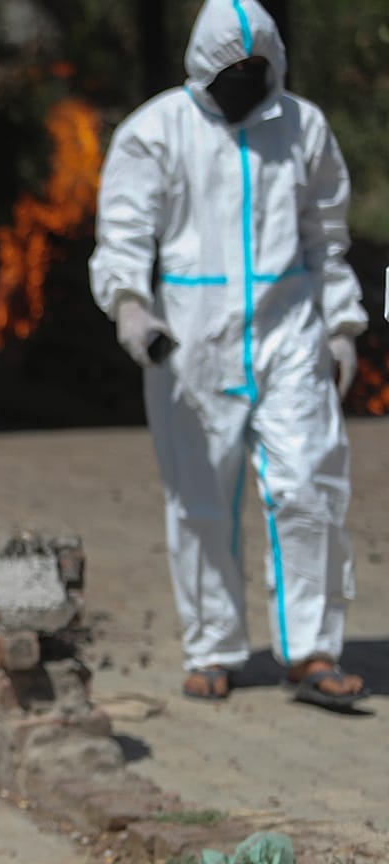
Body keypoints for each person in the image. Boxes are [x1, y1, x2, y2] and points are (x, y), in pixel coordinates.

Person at [89, 0, 369, 710]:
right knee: (201, 502)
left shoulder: (303, 128)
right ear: (202, 66)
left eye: (257, 69)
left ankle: (311, 651)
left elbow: (328, 237)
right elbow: (123, 236)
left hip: (289, 337)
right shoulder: (155, 132)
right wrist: (131, 309)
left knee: (310, 487)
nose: (244, 81)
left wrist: (341, 325)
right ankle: (213, 647)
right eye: (232, 70)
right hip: (192, 346)